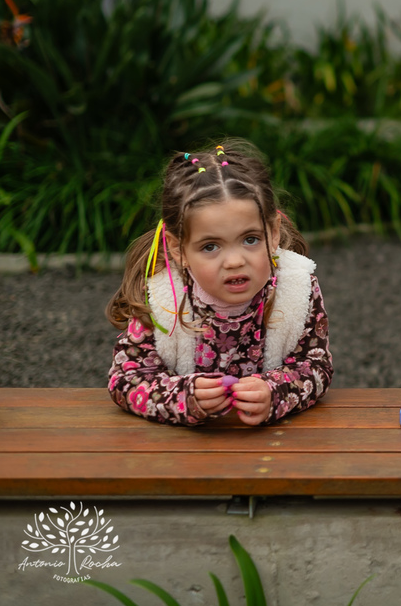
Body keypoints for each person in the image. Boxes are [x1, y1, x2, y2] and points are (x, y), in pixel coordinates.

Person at [106, 140, 332, 426]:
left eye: (250, 239)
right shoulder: (163, 296)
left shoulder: (296, 287)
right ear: (178, 249)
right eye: (211, 246)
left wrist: (275, 392)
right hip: (183, 452)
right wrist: (183, 397)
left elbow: (315, 365)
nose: (235, 261)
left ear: (273, 233)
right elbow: (126, 378)